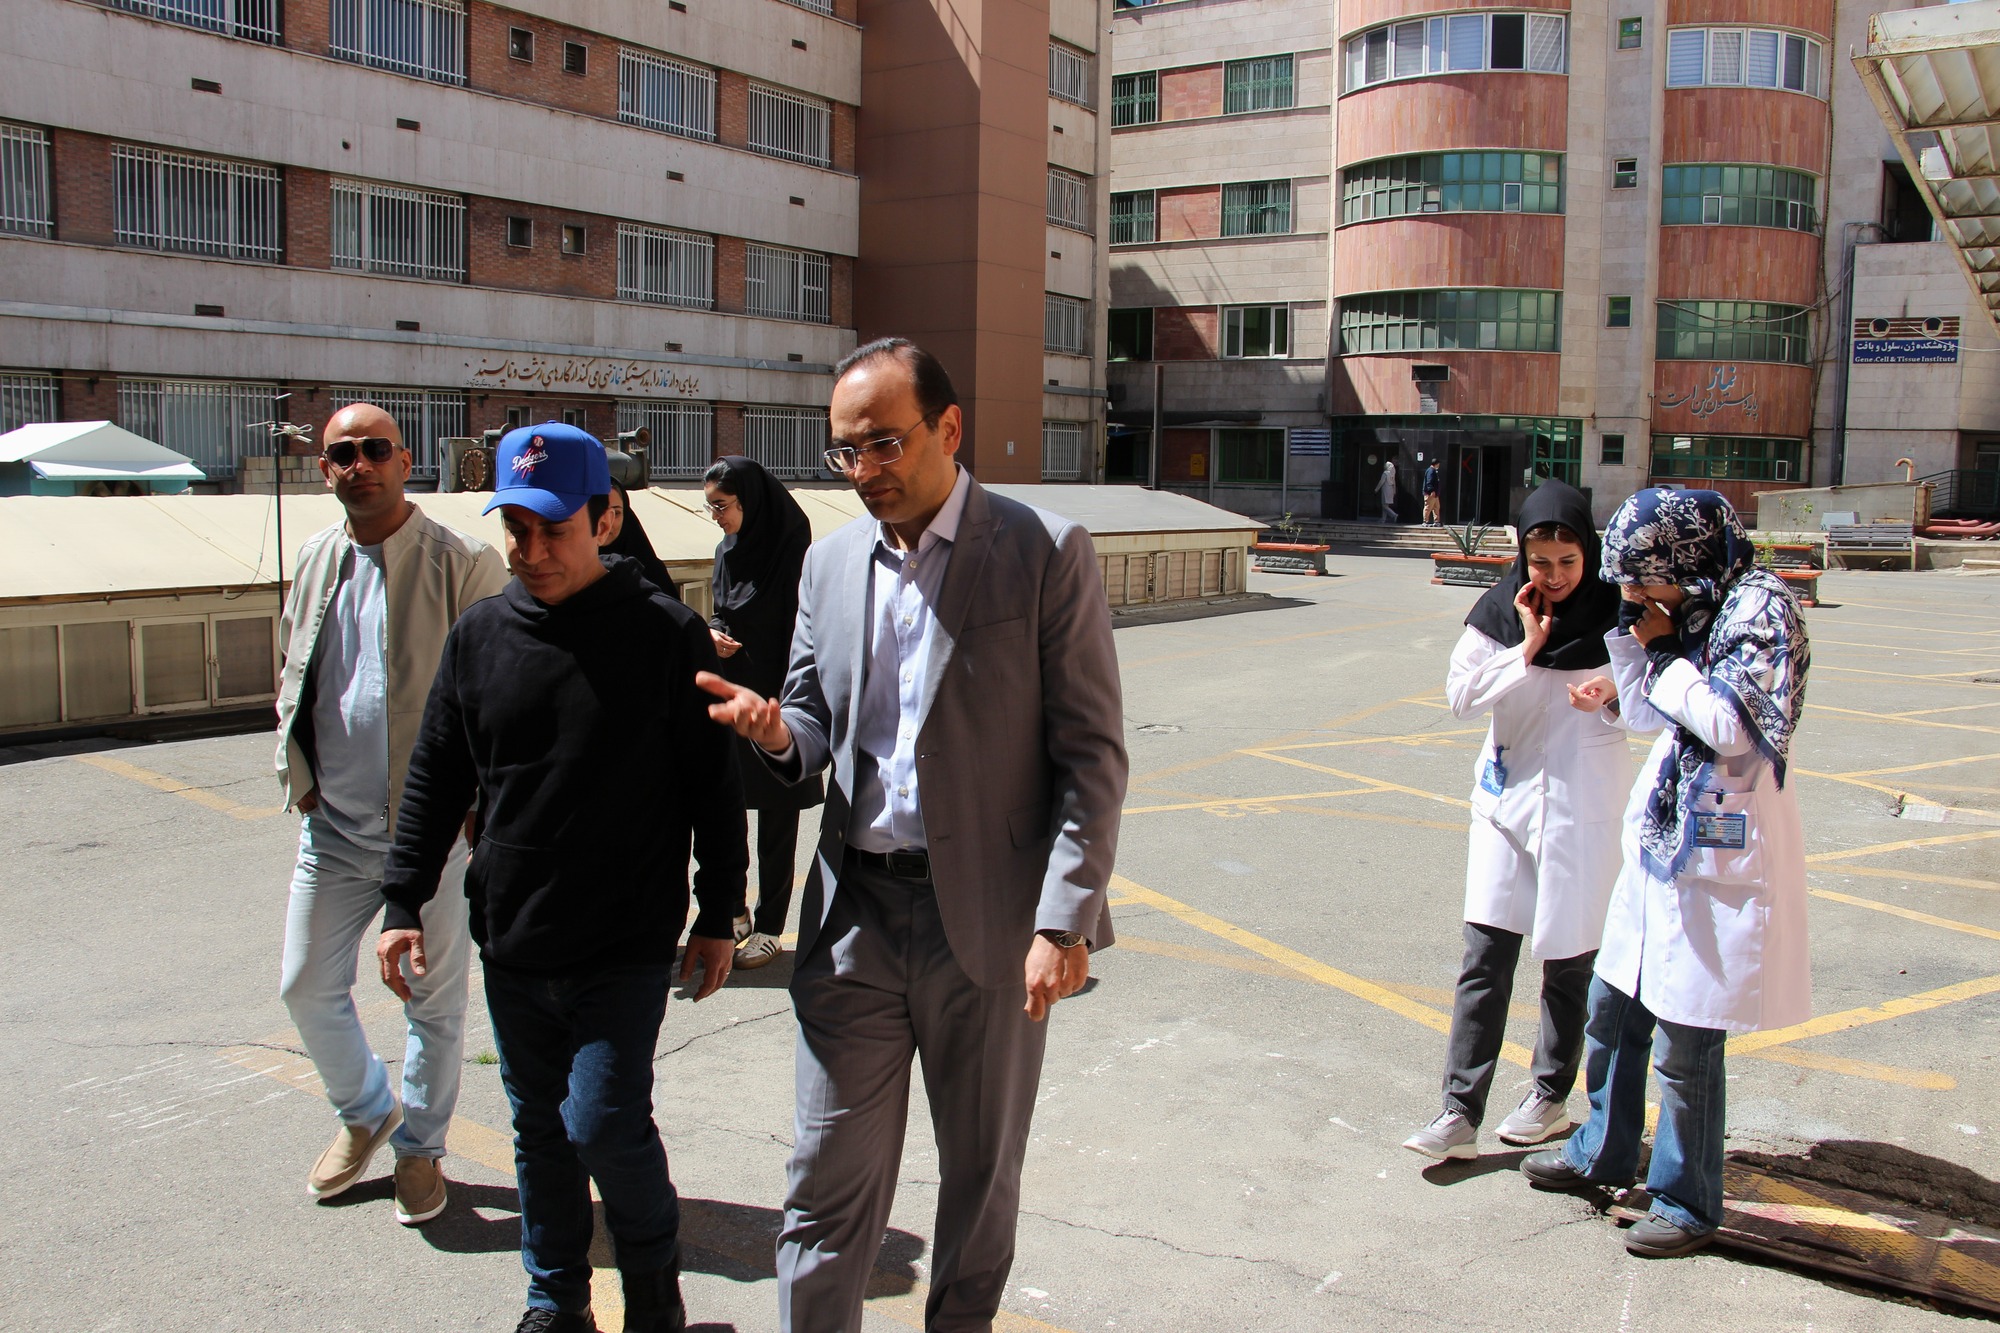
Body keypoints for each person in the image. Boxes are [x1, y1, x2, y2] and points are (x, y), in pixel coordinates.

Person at [700, 338, 1129, 1333]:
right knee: (822, 1182)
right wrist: (777, 733)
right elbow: (813, 722)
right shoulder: (828, 562)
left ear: (949, 428)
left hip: (988, 922)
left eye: (884, 444)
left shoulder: (1042, 549)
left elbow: (1091, 754)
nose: (864, 470)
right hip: (852, 913)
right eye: (844, 451)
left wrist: (1062, 921)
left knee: (979, 1180)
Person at [376, 423, 748, 1333]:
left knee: (603, 1122)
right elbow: (436, 775)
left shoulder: (664, 633)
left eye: (555, 529)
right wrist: (401, 900)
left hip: (623, 941)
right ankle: (556, 1300)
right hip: (514, 936)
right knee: (539, 1130)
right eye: (517, 529)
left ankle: (653, 1296)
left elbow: (712, 785)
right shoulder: (479, 635)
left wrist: (718, 912)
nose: (533, 550)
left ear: (604, 520)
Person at [1521, 488, 1811, 1260]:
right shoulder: (1687, 606)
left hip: (1719, 848)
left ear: (1685, 560)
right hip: (1665, 841)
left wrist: (1661, 652)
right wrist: (1630, 638)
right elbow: (1652, 714)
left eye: (1643, 580)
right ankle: (1602, 1148)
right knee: (1614, 1009)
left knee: (1688, 1038)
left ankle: (1686, 1198)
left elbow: (1731, 725)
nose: (1638, 594)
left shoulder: (1760, 610)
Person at [275, 402, 507, 1225]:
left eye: (376, 449)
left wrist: (478, 803)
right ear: (325, 468)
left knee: (431, 1002)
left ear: (406, 462)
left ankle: (420, 1146)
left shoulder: (462, 562)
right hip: (333, 828)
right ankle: (367, 1110)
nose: (360, 465)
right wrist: (298, 769)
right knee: (305, 984)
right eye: (343, 453)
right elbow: (294, 663)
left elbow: (499, 694)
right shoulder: (316, 556)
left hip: (432, 833)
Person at [1402, 480, 1632, 1162]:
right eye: (1541, 562)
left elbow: (1652, 701)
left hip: (1583, 807)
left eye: (1568, 562)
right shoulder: (1498, 613)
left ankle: (1549, 1095)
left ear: (1589, 553)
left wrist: (1613, 693)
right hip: (1506, 803)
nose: (1555, 577)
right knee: (1485, 953)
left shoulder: (1617, 615)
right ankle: (1459, 1110)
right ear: (1521, 556)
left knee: (1568, 957)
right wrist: (1525, 649)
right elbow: (1460, 697)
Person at [703, 455, 824, 969]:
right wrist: (713, 631)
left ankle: (771, 925)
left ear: (750, 502)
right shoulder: (726, 550)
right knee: (725, 805)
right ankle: (734, 909)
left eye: (723, 506)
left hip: (781, 694)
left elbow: (809, 626)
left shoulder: (794, 549)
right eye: (710, 507)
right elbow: (722, 609)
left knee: (778, 814)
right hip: (734, 692)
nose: (717, 517)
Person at [600, 478, 679, 599]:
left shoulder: (651, 572)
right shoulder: (571, 573)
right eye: (599, 512)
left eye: (616, 513)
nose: (608, 522)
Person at [1378, 457, 1400, 524]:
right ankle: (1383, 519)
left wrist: (1376, 489)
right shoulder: (1392, 474)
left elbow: (1381, 482)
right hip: (1390, 490)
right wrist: (1394, 490)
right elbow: (1394, 483)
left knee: (1384, 505)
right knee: (1386, 505)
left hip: (1385, 490)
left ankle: (1394, 515)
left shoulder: (1385, 473)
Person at [1422, 460, 1443, 526]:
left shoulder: (1434, 471)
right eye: (1438, 464)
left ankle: (1437, 521)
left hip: (1435, 494)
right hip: (1430, 494)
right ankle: (1425, 521)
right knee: (1428, 507)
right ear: (1436, 464)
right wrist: (1431, 490)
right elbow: (1429, 482)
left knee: (1436, 507)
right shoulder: (1431, 471)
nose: (1439, 465)